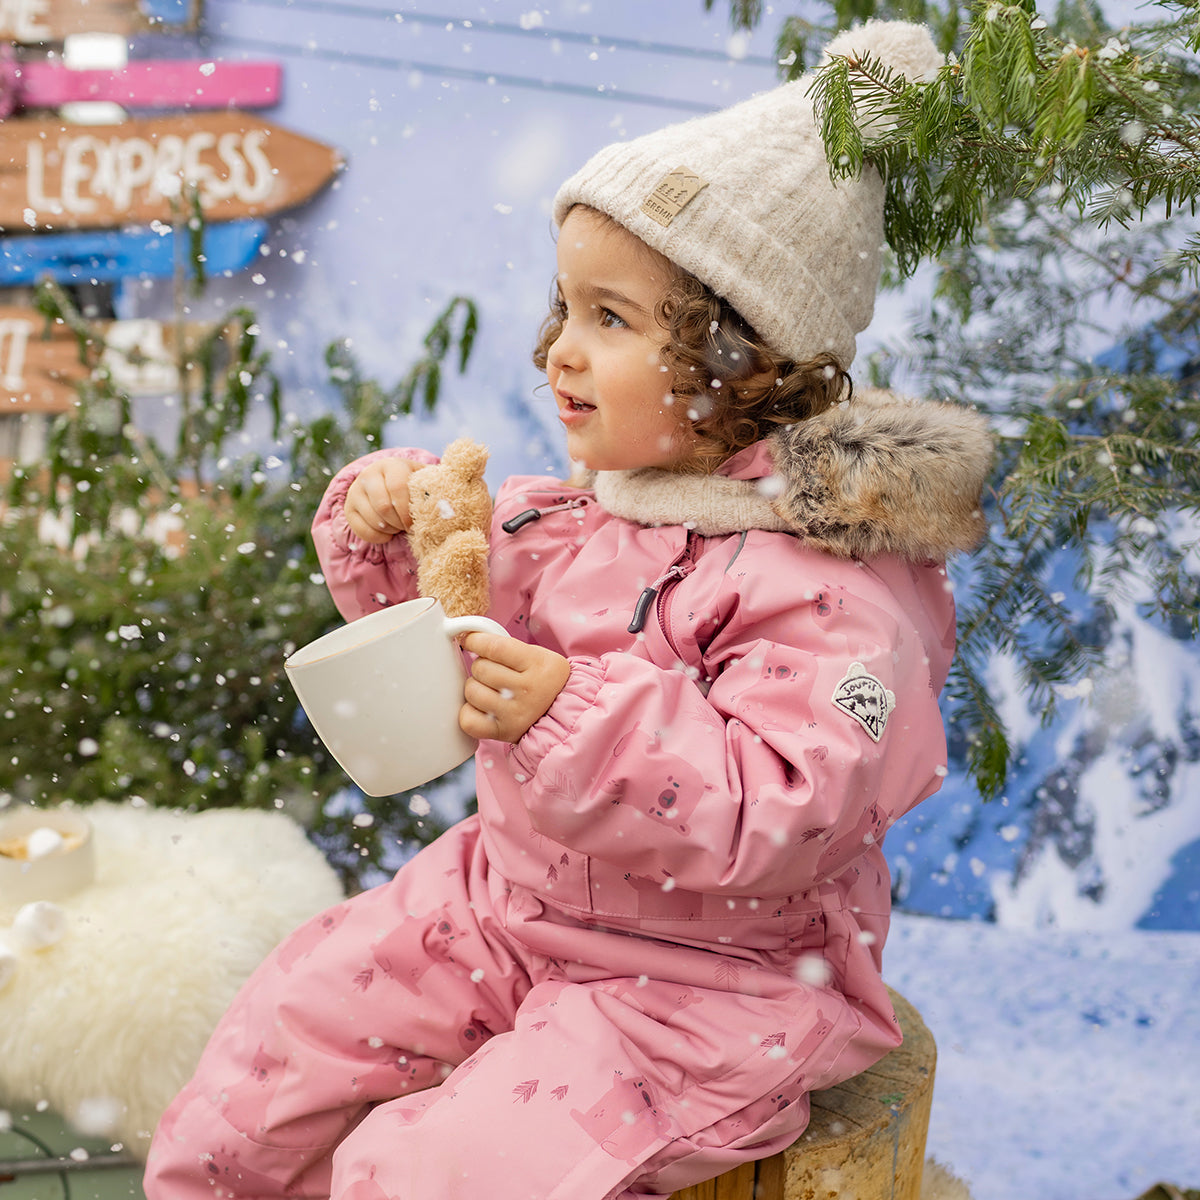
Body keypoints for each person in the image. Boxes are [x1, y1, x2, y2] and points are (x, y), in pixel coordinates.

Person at [144, 20, 992, 1200]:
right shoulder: (579, 518)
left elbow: (788, 804)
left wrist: (567, 711)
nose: (561, 352)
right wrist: (394, 531)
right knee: (282, 1048)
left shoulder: (830, 585)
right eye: (567, 307)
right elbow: (447, 644)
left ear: (743, 362)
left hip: (704, 987)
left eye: (613, 320)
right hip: (501, 905)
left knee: (439, 1173)